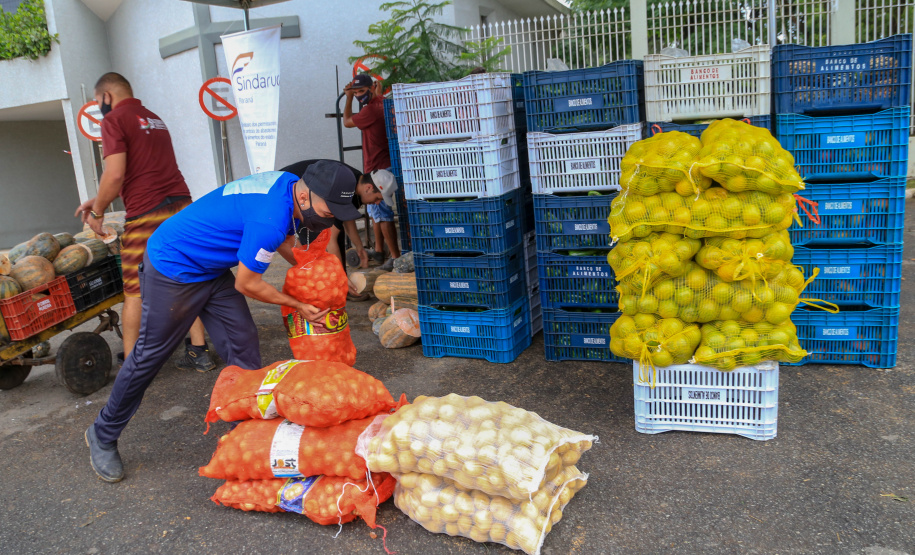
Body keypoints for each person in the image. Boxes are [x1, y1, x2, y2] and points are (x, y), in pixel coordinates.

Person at [84, 160, 373, 482]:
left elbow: (286, 244)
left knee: (243, 344)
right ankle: (102, 433)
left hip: (210, 268)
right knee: (148, 356)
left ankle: (244, 430)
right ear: (304, 198)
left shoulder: (290, 187)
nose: (330, 218)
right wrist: (297, 304)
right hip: (174, 266)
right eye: (328, 211)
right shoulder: (270, 219)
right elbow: (248, 283)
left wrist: (321, 273)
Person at [74, 72, 214, 373]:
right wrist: (97, 200)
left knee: (135, 290)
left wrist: (97, 213)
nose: (100, 108)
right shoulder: (153, 118)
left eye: (98, 102)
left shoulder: (113, 120)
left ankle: (132, 364)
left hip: (147, 214)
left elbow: (115, 174)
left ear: (106, 96)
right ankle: (198, 351)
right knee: (185, 277)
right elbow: (140, 171)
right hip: (182, 208)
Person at [343, 73, 401, 271]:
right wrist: (376, 92)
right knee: (375, 212)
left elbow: (347, 121)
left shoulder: (370, 110)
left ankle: (395, 257)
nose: (359, 95)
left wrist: (348, 98)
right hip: (381, 164)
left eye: (361, 91)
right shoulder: (382, 103)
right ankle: (378, 250)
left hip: (378, 167)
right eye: (355, 92)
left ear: (371, 88)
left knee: (382, 214)